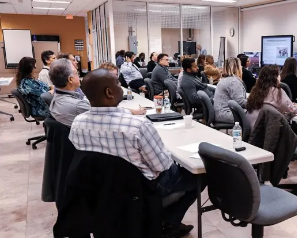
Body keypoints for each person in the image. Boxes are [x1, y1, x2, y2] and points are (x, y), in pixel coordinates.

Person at [68, 69, 203, 237]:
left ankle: (167, 220)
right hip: (139, 191)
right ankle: (169, 221)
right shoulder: (136, 126)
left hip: (99, 190)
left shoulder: (77, 123)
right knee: (198, 174)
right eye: (118, 83)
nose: (121, 87)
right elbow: (162, 166)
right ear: (109, 92)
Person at [246, 65, 297, 131]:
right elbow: (292, 110)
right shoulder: (277, 92)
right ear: (275, 77)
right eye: (279, 74)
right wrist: (296, 110)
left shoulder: (255, 90)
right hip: (269, 132)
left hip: (252, 129)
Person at [49, 58, 90, 127]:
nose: (79, 76)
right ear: (70, 79)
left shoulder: (57, 96)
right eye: (77, 73)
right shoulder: (78, 106)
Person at [213, 57, 247, 123]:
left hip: (221, 113)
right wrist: (255, 103)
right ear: (237, 67)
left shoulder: (225, 79)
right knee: (256, 115)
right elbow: (240, 102)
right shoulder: (233, 82)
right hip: (227, 114)